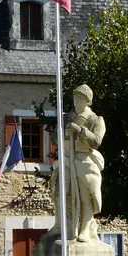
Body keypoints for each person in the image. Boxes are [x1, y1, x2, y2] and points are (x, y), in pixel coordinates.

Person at [49, 84, 106, 243]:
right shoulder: (65, 117)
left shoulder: (95, 119)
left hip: (84, 160)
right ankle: (60, 225)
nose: (76, 99)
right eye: (75, 96)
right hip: (67, 159)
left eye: (80, 97)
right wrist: (62, 133)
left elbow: (96, 141)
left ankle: (85, 229)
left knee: (85, 195)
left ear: (88, 101)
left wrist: (79, 130)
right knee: (60, 190)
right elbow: (54, 138)